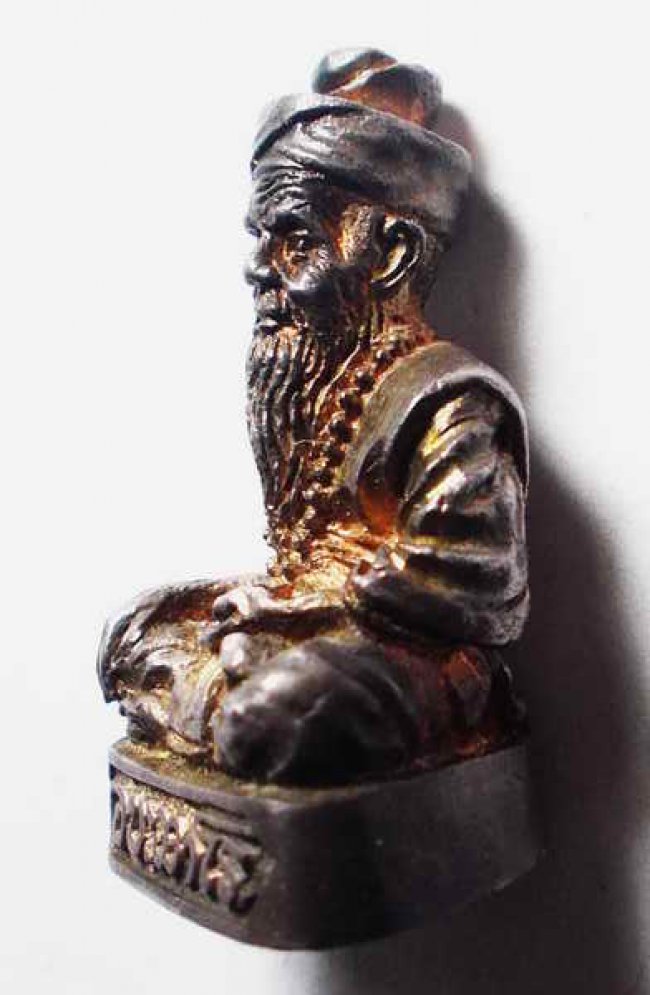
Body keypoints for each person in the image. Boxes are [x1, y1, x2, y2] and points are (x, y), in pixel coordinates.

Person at [98, 48, 529, 785]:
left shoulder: (449, 401)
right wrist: (272, 610)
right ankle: (225, 698)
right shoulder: (313, 380)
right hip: (300, 624)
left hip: (415, 658)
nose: (259, 269)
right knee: (133, 634)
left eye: (296, 242)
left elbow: (479, 587)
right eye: (259, 240)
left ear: (390, 254)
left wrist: (313, 607)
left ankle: (225, 708)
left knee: (274, 714)